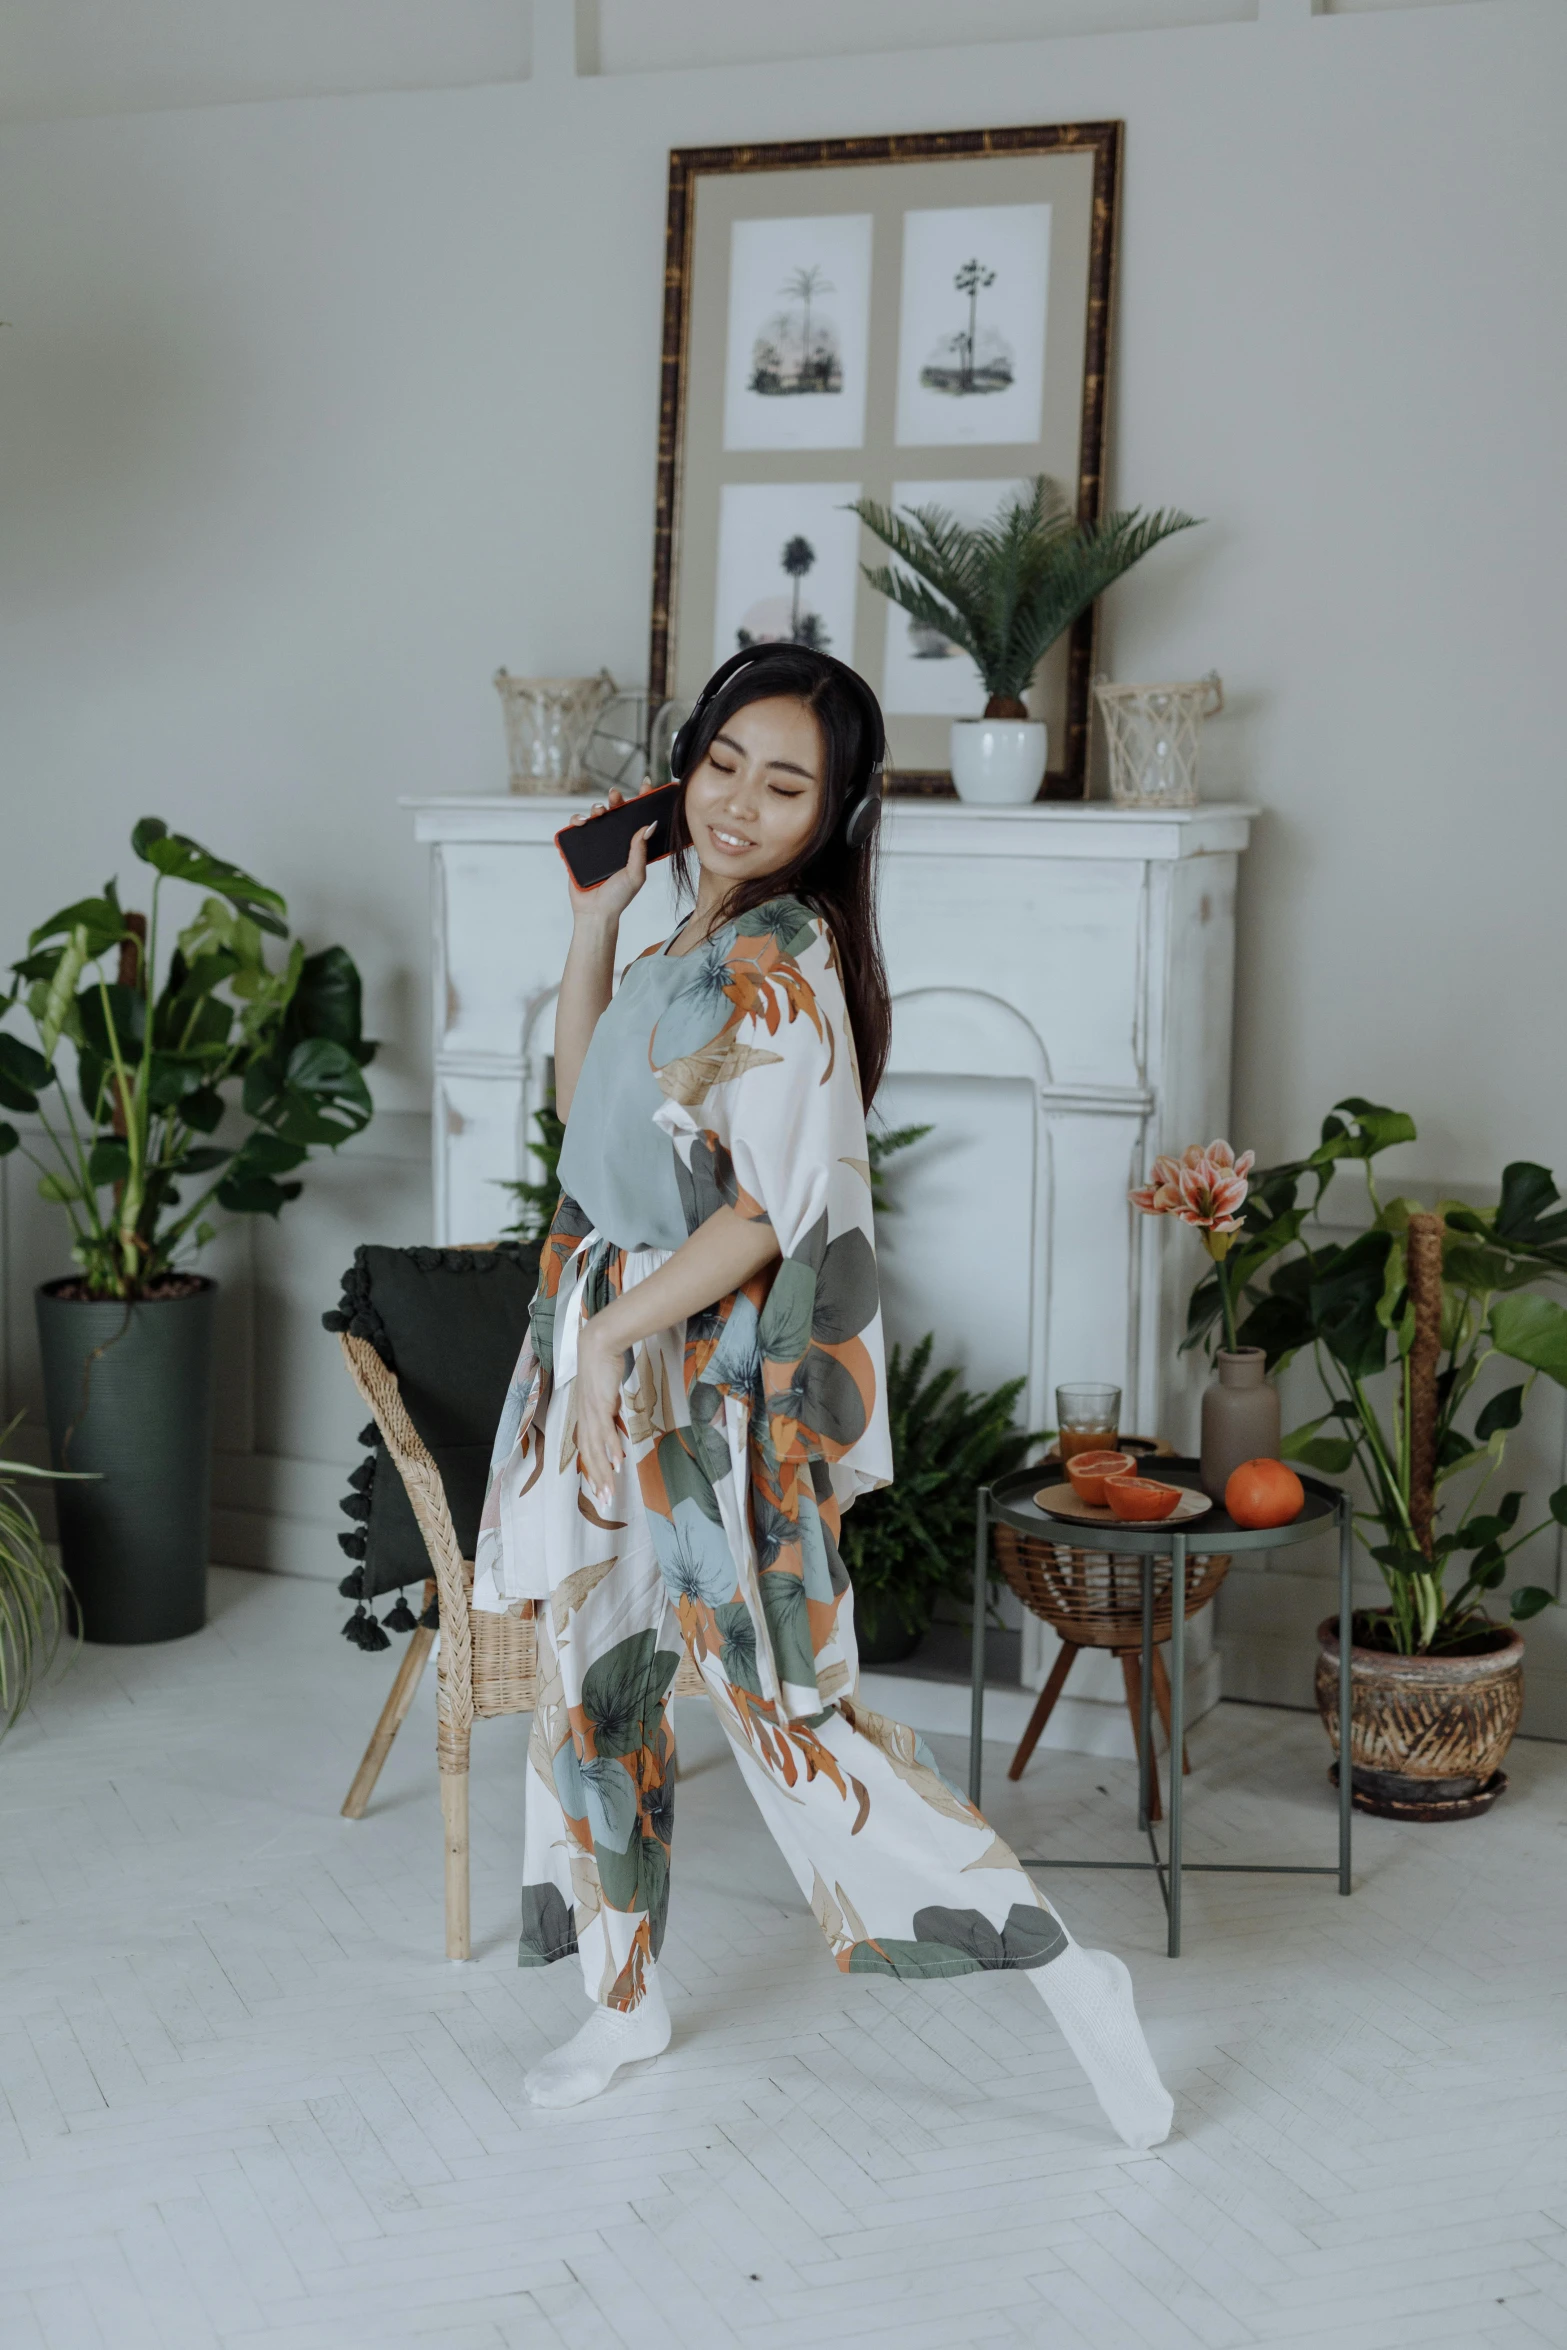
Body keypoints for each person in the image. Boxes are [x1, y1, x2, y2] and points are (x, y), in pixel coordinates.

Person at [472, 644, 1173, 2146]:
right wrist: (595, 922)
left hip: (689, 1387)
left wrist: (608, 1348)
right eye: (721, 761)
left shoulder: (782, 971)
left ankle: (1063, 1971)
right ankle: (621, 1995)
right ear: (686, 757)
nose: (736, 800)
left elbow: (766, 1217)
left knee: (796, 1718)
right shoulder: (684, 936)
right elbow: (589, 1115)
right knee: (595, 1690)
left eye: (784, 783)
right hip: (605, 1357)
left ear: (835, 814)